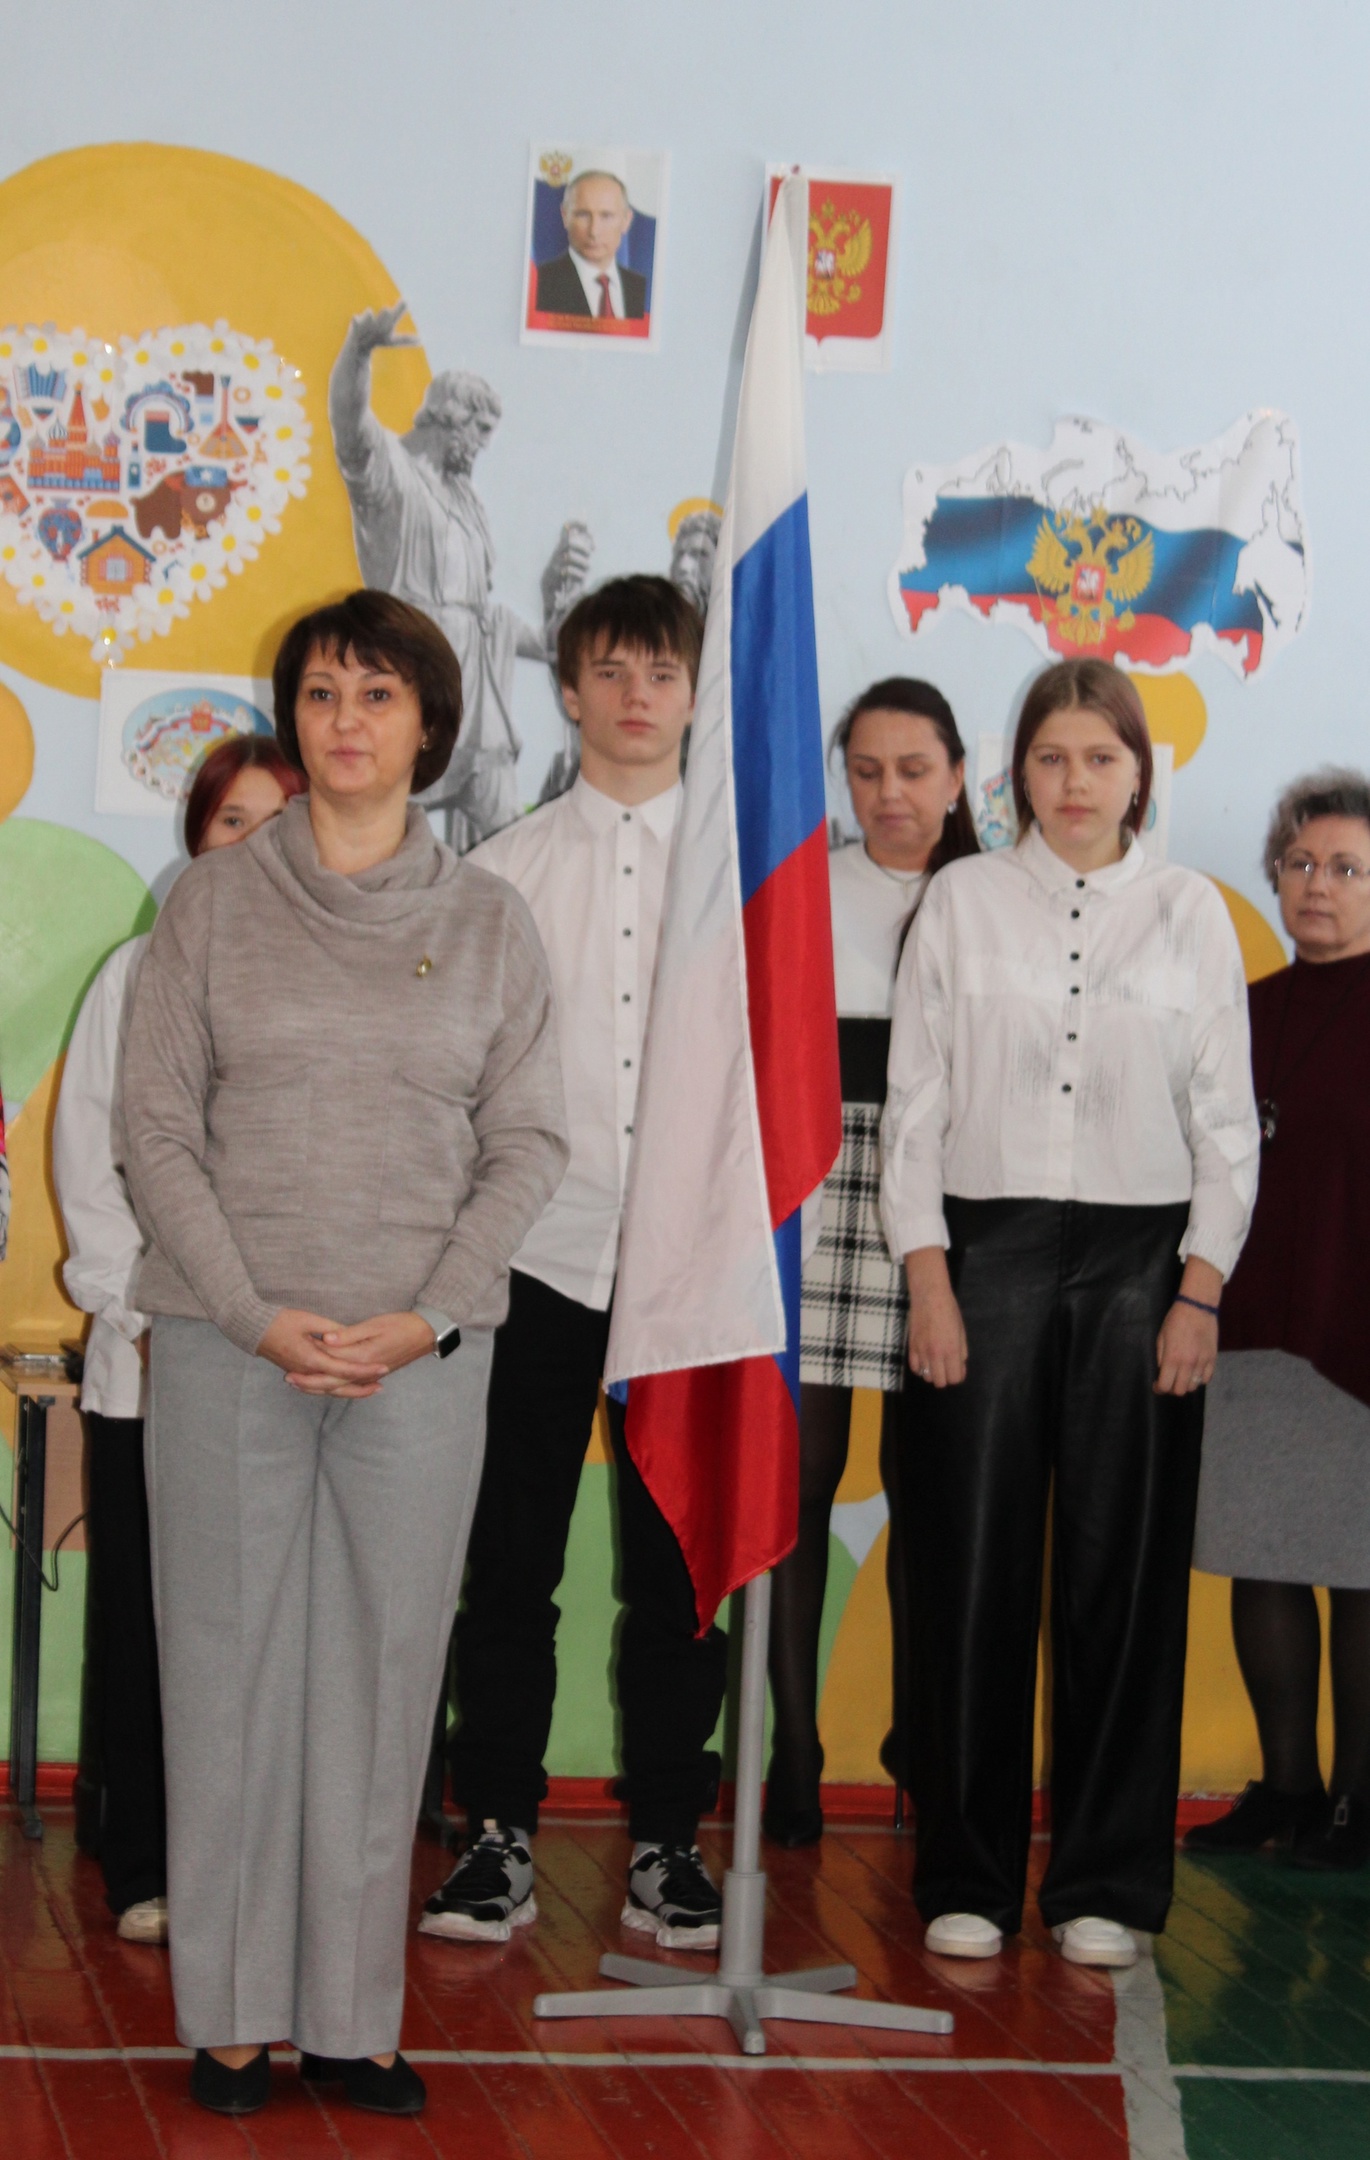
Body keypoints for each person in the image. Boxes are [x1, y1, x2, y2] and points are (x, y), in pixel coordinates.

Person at [120, 590, 567, 2119]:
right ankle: (234, 2018)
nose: (346, 721)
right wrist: (252, 1312)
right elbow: (156, 1132)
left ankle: (351, 2021)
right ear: (291, 720)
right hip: (227, 1341)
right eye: (320, 693)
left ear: (429, 724)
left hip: (416, 1362)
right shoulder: (208, 906)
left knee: (381, 1682)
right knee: (225, 1676)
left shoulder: (488, 922)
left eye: (377, 695)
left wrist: (427, 1312)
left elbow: (528, 1143)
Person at [881, 656, 1259, 1969]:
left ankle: (1104, 1879)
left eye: (1101, 757)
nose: (1075, 781)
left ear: (1138, 772)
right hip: (979, 1258)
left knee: (1123, 1574)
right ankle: (967, 1874)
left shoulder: (1189, 912)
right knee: (968, 1570)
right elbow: (913, 1108)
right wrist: (929, 1276)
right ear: (1015, 773)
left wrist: (1198, 1289)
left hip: (1141, 1270)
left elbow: (1224, 1125)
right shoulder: (961, 901)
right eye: (1050, 758)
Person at [420, 576, 726, 1952]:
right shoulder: (501, 874)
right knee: (509, 1566)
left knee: (678, 1576)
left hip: (688, 1272)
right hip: (535, 1261)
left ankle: (667, 1840)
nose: (635, 697)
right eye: (609, 671)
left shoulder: (741, 879)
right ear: (567, 689)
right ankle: (495, 1833)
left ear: (692, 692)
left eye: (660, 672)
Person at [52, 735, 304, 1947]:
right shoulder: (139, 973)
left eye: (278, 823)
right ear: (195, 838)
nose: (251, 847)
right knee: (154, 1618)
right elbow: (93, 1171)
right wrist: (143, 1318)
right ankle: (147, 1858)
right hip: (156, 1361)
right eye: (229, 822)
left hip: (295, 1367)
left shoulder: (337, 982)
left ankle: (259, 1863)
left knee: (275, 1627)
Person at [764, 679, 979, 1847]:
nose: (888, 793)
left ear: (957, 774)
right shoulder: (802, 888)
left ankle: (921, 1738)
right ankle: (794, 1749)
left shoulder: (992, 896)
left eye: (911, 769)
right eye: (864, 771)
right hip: (817, 1180)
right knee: (798, 1482)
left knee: (932, 1486)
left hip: (951, 1198)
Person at [1189, 770, 1370, 1870]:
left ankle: (1358, 1803)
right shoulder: (1240, 1010)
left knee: (1359, 1569)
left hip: (1357, 1332)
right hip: (1250, 1324)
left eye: (1346, 868)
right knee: (1261, 1554)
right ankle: (1286, 1790)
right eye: (1300, 863)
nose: (1318, 885)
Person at [329, 305, 592, 846]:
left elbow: (482, 612)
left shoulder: (466, 499)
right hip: (414, 687)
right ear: (451, 418)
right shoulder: (391, 474)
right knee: (385, 846)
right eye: (481, 430)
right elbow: (350, 425)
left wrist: (551, 629)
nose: (484, 445)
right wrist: (358, 351)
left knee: (510, 846)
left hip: (480, 701)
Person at [535, 169, 647, 320]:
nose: (594, 231)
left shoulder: (641, 289)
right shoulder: (538, 285)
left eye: (606, 216)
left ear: (626, 220)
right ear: (565, 217)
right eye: (583, 215)